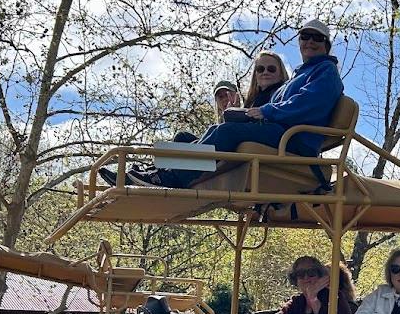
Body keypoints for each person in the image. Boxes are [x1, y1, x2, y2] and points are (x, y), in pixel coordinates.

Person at [128, 20, 344, 189]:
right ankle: (159, 172)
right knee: (215, 130)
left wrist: (265, 111)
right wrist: (244, 113)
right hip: (282, 133)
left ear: (326, 45)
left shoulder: (326, 71)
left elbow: (307, 103)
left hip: (295, 139)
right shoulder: (303, 73)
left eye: (317, 38)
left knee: (226, 132)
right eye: (305, 36)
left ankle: (170, 177)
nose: (310, 42)